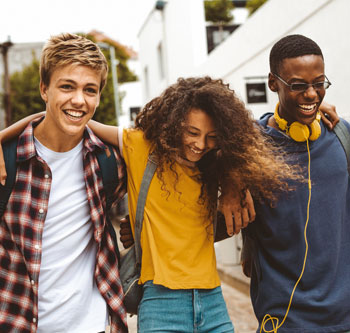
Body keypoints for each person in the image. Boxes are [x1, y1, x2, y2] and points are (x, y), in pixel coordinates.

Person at [82, 76, 304, 332]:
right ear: (174, 123)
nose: (200, 145)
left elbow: (258, 135)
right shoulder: (141, 146)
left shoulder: (213, 166)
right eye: (192, 132)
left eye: (212, 137)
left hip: (212, 301)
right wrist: (27, 123)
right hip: (160, 303)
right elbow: (81, 123)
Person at [0, 33, 128, 332]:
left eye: (90, 90)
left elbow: (180, 153)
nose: (79, 100)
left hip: (91, 325)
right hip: (16, 320)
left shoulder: (110, 162)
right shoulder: (8, 160)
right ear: (45, 89)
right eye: (67, 86)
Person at [244, 34, 350, 332]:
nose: (312, 95)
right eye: (298, 85)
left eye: (319, 83)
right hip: (283, 322)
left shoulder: (342, 137)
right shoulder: (250, 148)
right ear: (272, 83)